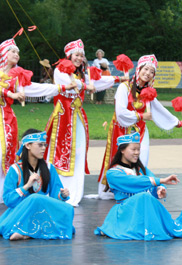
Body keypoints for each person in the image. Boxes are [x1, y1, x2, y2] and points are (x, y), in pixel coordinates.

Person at [0, 38, 76, 212]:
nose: (16, 54)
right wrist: (11, 93)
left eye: (17, 52)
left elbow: (35, 88)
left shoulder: (16, 78)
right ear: (3, 53)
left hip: (7, 120)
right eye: (13, 51)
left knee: (3, 156)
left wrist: (61, 88)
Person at [45, 39, 126, 207]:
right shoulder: (61, 69)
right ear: (69, 55)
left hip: (77, 118)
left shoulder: (83, 73)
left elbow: (97, 82)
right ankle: (57, 191)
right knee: (60, 153)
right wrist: (84, 85)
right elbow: (68, 84)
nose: (79, 58)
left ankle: (74, 192)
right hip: (62, 118)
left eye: (82, 55)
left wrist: (120, 78)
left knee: (79, 153)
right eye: (76, 55)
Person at [97, 55, 182, 200]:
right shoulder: (124, 87)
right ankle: (113, 190)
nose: (148, 73)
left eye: (152, 71)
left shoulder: (149, 92)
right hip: (121, 131)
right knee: (117, 161)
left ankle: (136, 189)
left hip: (140, 132)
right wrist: (140, 116)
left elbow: (159, 110)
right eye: (146, 69)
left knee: (141, 159)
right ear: (139, 69)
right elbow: (120, 112)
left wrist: (178, 123)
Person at [94, 132, 182, 240]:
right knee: (144, 196)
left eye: (138, 149)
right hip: (125, 213)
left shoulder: (142, 170)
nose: (137, 152)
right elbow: (134, 182)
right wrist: (161, 180)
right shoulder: (113, 173)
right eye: (133, 149)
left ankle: (172, 229)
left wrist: (159, 190)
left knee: (145, 197)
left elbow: (152, 187)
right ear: (122, 150)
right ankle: (174, 229)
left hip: (141, 211)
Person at [0, 129, 74, 240]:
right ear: (28, 146)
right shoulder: (15, 170)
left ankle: (26, 234)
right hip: (21, 212)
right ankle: (30, 232)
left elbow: (55, 194)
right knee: (35, 198)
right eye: (40, 145)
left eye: (45, 145)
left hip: (42, 210)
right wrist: (26, 186)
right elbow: (8, 200)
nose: (43, 148)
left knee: (68, 209)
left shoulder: (49, 168)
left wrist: (62, 195)